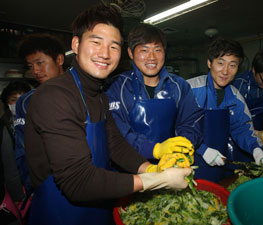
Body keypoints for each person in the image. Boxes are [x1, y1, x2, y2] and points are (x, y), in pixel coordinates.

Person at [24, 4, 192, 225]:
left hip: (98, 206)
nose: (105, 53)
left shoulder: (99, 95)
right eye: (96, 42)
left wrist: (150, 167)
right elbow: (78, 182)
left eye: (114, 46)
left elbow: (115, 144)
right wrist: (154, 180)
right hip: (60, 213)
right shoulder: (54, 96)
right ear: (76, 44)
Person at [106, 23, 202, 163]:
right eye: (144, 50)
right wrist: (154, 150)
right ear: (131, 53)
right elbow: (118, 134)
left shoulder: (179, 86)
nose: (152, 57)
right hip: (129, 170)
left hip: (172, 165)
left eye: (158, 50)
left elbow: (191, 122)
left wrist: (183, 148)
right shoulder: (116, 87)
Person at [187, 38, 263, 182]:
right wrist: (202, 149)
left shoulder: (235, 97)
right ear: (209, 63)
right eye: (220, 63)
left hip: (217, 163)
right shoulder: (190, 90)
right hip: (186, 164)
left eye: (232, 65)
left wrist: (255, 149)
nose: (225, 71)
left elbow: (242, 128)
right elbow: (177, 126)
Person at [14, 33, 65, 194]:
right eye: (30, 66)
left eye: (40, 63)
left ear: (59, 60)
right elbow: (22, 149)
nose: (35, 70)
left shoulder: (84, 92)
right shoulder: (26, 102)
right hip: (47, 186)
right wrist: (33, 187)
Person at [0, 81, 31, 202]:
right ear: (7, 102)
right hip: (10, 178)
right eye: (13, 99)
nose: (18, 103)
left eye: (22, 98)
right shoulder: (4, 124)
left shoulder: (36, 120)